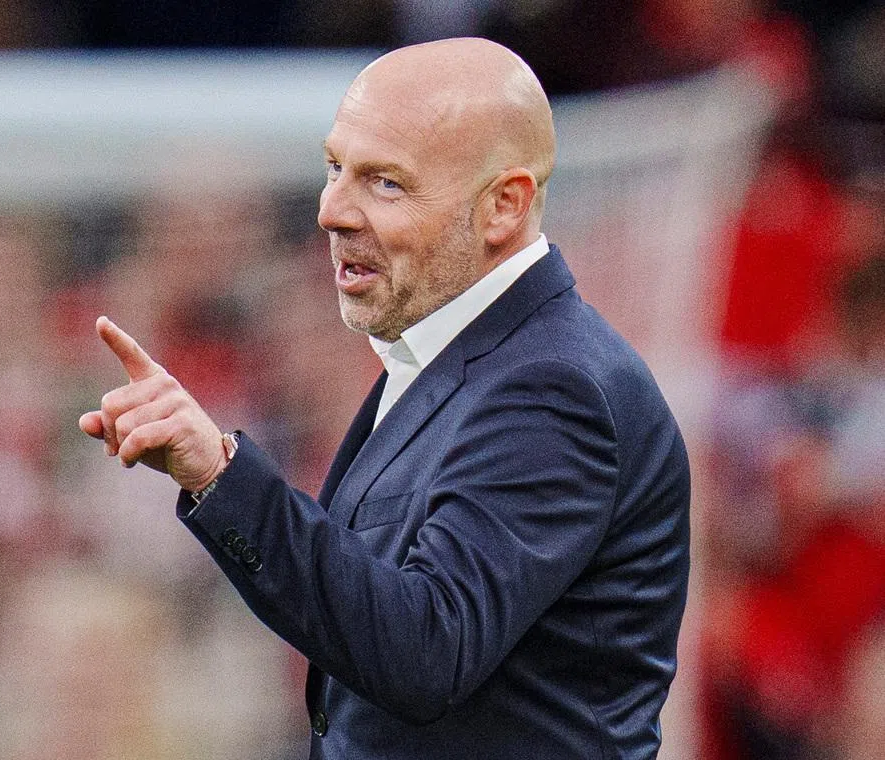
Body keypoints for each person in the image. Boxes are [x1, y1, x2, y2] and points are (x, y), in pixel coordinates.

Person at [79, 37, 690, 759]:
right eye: (335, 168)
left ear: (503, 206)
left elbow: (423, 650)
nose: (332, 212)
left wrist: (220, 474)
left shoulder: (551, 389)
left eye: (386, 183)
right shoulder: (452, 357)